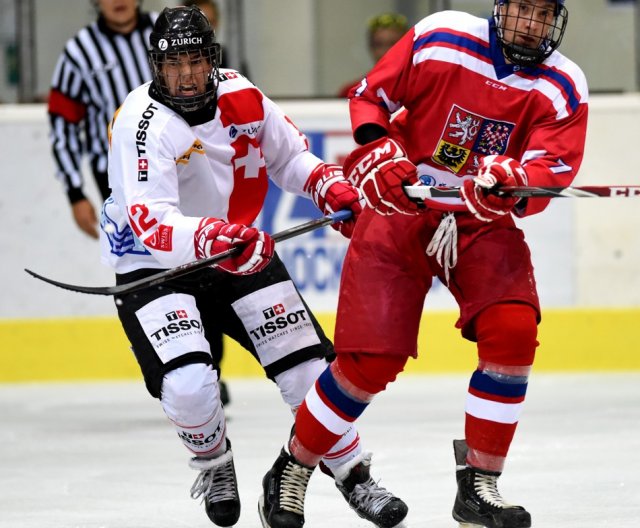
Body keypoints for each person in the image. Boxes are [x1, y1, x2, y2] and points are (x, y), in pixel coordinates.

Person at [260, 2, 588, 528]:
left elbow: (548, 170)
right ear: (503, 8)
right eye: (522, 8)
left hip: (480, 219)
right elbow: (371, 98)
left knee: (513, 330)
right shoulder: (443, 35)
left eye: (542, 13)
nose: (531, 23)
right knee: (368, 365)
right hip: (400, 205)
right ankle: (291, 468)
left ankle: (479, 486)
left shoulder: (564, 85)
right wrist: (379, 152)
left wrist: (511, 182)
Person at [100, 6, 407, 528]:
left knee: (309, 372)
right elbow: (153, 223)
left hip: (233, 250)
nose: (188, 76)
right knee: (190, 386)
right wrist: (218, 235)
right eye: (175, 65)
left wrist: (327, 186)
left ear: (213, 61)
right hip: (154, 263)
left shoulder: (241, 94)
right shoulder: (140, 122)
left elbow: (288, 157)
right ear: (156, 66)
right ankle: (215, 461)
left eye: (197, 62)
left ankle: (353, 472)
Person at [48, 0, 157, 239]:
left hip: (176, 162)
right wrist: (75, 193)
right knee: (137, 261)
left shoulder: (165, 30)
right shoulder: (79, 52)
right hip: (115, 175)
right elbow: (62, 126)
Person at [336, 12, 409, 98]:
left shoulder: (419, 88)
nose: (386, 51)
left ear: (408, 47)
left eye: (393, 44)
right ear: (371, 48)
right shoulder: (353, 91)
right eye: (379, 44)